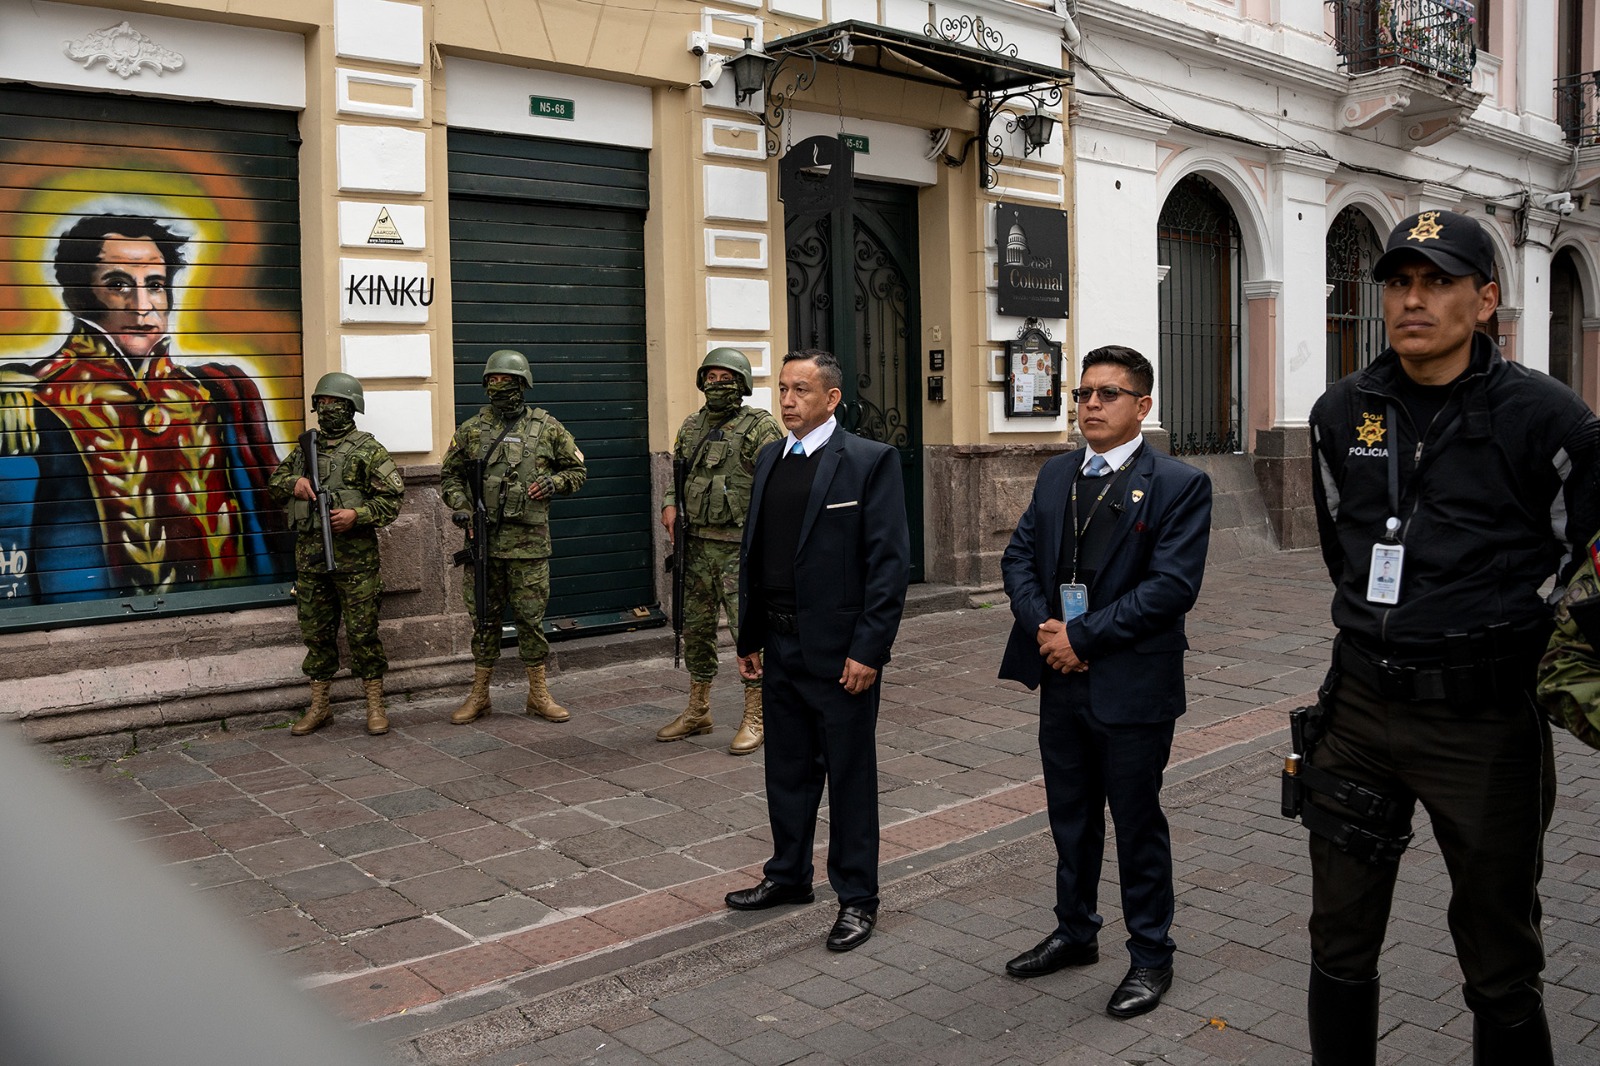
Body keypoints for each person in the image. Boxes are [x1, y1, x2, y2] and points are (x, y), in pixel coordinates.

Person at [1300, 209, 1599, 1064]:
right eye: (1399, 282)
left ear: (1487, 299)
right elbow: (1343, 553)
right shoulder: (1340, 412)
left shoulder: (1550, 419)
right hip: (1357, 711)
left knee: (1501, 953)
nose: (1413, 301)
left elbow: (1589, 566)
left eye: (1437, 282)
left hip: (1483, 721)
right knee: (1339, 939)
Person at [998, 344, 1212, 1019]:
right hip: (1061, 678)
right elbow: (1020, 557)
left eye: (1107, 394)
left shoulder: (1179, 484)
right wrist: (1047, 631)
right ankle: (1075, 931)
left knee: (1136, 822)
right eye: (1084, 393)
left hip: (1131, 685)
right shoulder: (1056, 474)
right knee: (1070, 817)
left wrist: (1081, 637)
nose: (1090, 404)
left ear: (1142, 406)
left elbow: (1169, 589)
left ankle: (1151, 956)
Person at [724, 349, 910, 953]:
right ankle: (788, 875)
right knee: (788, 768)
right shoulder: (770, 457)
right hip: (777, 643)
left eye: (800, 390)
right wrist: (749, 638)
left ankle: (857, 898)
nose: (786, 400)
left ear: (831, 398)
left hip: (840, 652)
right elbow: (756, 554)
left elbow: (888, 564)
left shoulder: (868, 461)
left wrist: (869, 649)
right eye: (781, 389)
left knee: (850, 776)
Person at [0, 214, 282, 604]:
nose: (143, 306)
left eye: (156, 285)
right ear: (76, 295)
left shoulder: (219, 389)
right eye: (118, 285)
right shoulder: (30, 398)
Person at [441, 350, 587, 726]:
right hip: (483, 546)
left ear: (523, 384)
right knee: (484, 622)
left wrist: (553, 483)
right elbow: (449, 476)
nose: (499, 388)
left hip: (529, 547)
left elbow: (577, 470)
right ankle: (479, 694)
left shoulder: (548, 428)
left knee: (530, 620)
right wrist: (461, 507)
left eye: (507, 381)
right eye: (492, 381)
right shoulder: (471, 429)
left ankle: (538, 693)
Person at [655, 348, 782, 753]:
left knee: (748, 632)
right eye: (710, 376)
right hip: (695, 549)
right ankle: (698, 708)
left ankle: (757, 713)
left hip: (738, 551)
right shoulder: (691, 426)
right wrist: (669, 504)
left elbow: (777, 480)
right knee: (695, 629)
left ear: (742, 383)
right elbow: (677, 474)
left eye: (726, 377)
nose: (716, 384)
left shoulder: (760, 427)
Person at [267, 373, 404, 736]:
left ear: (351, 407)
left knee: (363, 634)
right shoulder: (304, 451)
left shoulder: (367, 451)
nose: (328, 410)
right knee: (316, 633)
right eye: (323, 403)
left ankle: (374, 705)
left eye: (336, 403)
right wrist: (293, 483)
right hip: (311, 560)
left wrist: (356, 515)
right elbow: (274, 483)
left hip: (356, 562)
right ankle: (320, 705)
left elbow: (392, 500)